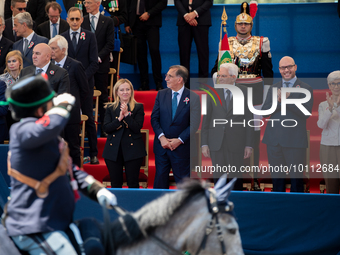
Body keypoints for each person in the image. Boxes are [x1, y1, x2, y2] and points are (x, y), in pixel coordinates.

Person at [0, 75, 117, 254]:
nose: (53, 104)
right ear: (40, 110)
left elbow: (68, 170)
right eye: (50, 102)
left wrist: (96, 189)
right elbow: (48, 126)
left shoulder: (46, 135)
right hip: (33, 226)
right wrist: (62, 108)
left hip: (55, 221)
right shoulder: (22, 130)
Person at [261, 56, 313, 192]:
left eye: (289, 67)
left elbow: (306, 113)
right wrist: (279, 102)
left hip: (295, 142)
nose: (286, 70)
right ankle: (279, 210)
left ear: (295, 67)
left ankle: (297, 210)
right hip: (274, 142)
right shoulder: (273, 88)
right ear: (279, 70)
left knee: (296, 181)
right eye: (283, 68)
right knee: (277, 181)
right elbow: (264, 112)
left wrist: (288, 100)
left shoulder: (305, 88)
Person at [201, 63, 253, 190]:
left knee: (236, 176)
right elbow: (206, 121)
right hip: (216, 142)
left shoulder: (245, 92)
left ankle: (238, 202)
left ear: (233, 77)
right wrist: (204, 144)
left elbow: (249, 120)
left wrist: (248, 145)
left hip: (236, 141)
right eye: (219, 75)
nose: (220, 78)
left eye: (223, 75)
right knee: (218, 176)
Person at [151, 65, 201, 189]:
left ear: (179, 79)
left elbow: (194, 124)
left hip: (182, 148)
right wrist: (162, 138)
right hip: (162, 147)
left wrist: (179, 140)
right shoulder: (161, 94)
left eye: (170, 76)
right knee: (160, 181)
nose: (166, 78)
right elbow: (154, 118)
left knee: (183, 184)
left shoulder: (193, 97)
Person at [61, 7, 99, 164]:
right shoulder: (62, 37)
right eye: (72, 19)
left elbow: (94, 63)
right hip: (67, 87)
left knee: (89, 118)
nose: (75, 22)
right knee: (68, 121)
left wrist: (81, 78)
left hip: (85, 86)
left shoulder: (90, 36)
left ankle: (94, 153)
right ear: (67, 20)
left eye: (77, 19)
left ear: (82, 20)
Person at [49, 35, 89, 167]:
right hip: (53, 116)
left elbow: (84, 90)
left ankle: (76, 180)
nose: (51, 51)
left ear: (63, 49)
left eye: (53, 48)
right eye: (50, 48)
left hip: (71, 116)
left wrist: (74, 106)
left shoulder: (76, 65)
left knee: (73, 148)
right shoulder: (49, 67)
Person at [102, 79, 146, 188]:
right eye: (122, 90)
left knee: (133, 183)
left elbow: (137, 128)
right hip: (113, 151)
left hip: (133, 150)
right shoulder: (110, 108)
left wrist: (127, 115)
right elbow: (106, 128)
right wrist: (119, 119)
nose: (125, 92)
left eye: (128, 89)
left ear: (131, 91)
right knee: (115, 184)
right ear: (117, 92)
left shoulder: (138, 107)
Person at [82, 0, 115, 137]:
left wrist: (97, 58)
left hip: (101, 65)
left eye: (88, 2)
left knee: (103, 97)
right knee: (85, 96)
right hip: (86, 67)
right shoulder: (82, 21)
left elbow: (109, 44)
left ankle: (106, 128)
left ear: (97, 3)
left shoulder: (107, 21)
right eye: (85, 2)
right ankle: (87, 130)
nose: (86, 5)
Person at [125, 0, 167, 91]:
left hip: (152, 21)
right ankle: (144, 82)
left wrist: (149, 13)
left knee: (154, 50)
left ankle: (158, 82)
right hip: (136, 22)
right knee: (140, 53)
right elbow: (127, 4)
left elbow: (163, 2)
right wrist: (127, 23)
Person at [174, 0, 212, 83]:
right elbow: (177, 2)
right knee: (184, 53)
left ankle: (203, 84)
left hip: (202, 20)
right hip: (183, 21)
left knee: (203, 53)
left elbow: (209, 2)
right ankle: (184, 84)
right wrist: (186, 15)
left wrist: (194, 13)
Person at [317, 71, 340, 194]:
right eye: (333, 83)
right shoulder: (323, 105)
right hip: (327, 146)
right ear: (329, 86)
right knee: (330, 184)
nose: (336, 86)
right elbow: (321, 125)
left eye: (339, 83)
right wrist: (330, 109)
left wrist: (337, 107)